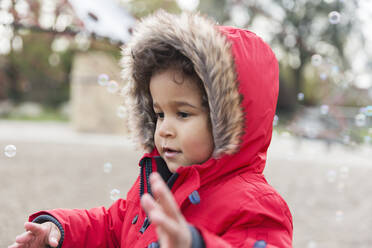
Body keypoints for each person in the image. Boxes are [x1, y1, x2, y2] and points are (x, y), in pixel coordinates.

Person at [9, 10, 293, 248]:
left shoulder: (257, 205)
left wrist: (194, 242)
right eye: (158, 113)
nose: (165, 129)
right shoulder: (161, 180)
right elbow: (113, 225)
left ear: (229, 120)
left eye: (182, 113)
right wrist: (61, 229)